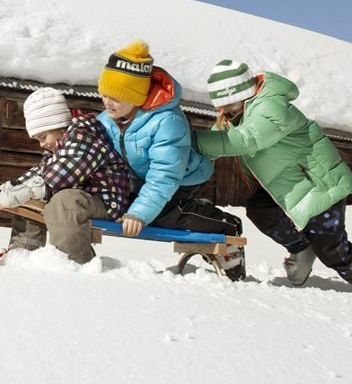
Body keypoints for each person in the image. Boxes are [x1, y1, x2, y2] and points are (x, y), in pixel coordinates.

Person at [194, 59, 352, 299]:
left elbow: (247, 139)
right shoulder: (237, 115)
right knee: (260, 209)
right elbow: (217, 140)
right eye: (221, 106)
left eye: (229, 104)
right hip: (292, 184)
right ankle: (302, 247)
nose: (225, 111)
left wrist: (196, 140)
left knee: (333, 251)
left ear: (244, 94)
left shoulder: (271, 107)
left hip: (320, 184)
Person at [95, 40, 246, 280]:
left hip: (184, 178)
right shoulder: (107, 118)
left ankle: (224, 223)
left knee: (162, 214)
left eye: (116, 96)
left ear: (136, 97)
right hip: (143, 178)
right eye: (104, 94)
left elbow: (165, 176)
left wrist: (139, 213)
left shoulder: (167, 121)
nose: (107, 102)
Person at [0, 87, 131, 264]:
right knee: (30, 198)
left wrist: (32, 189)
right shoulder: (59, 147)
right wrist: (8, 189)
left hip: (107, 201)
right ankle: (22, 254)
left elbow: (68, 168)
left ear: (58, 125)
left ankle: (73, 262)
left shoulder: (85, 136)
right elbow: (43, 172)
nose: (42, 144)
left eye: (43, 137)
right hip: (82, 198)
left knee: (63, 201)